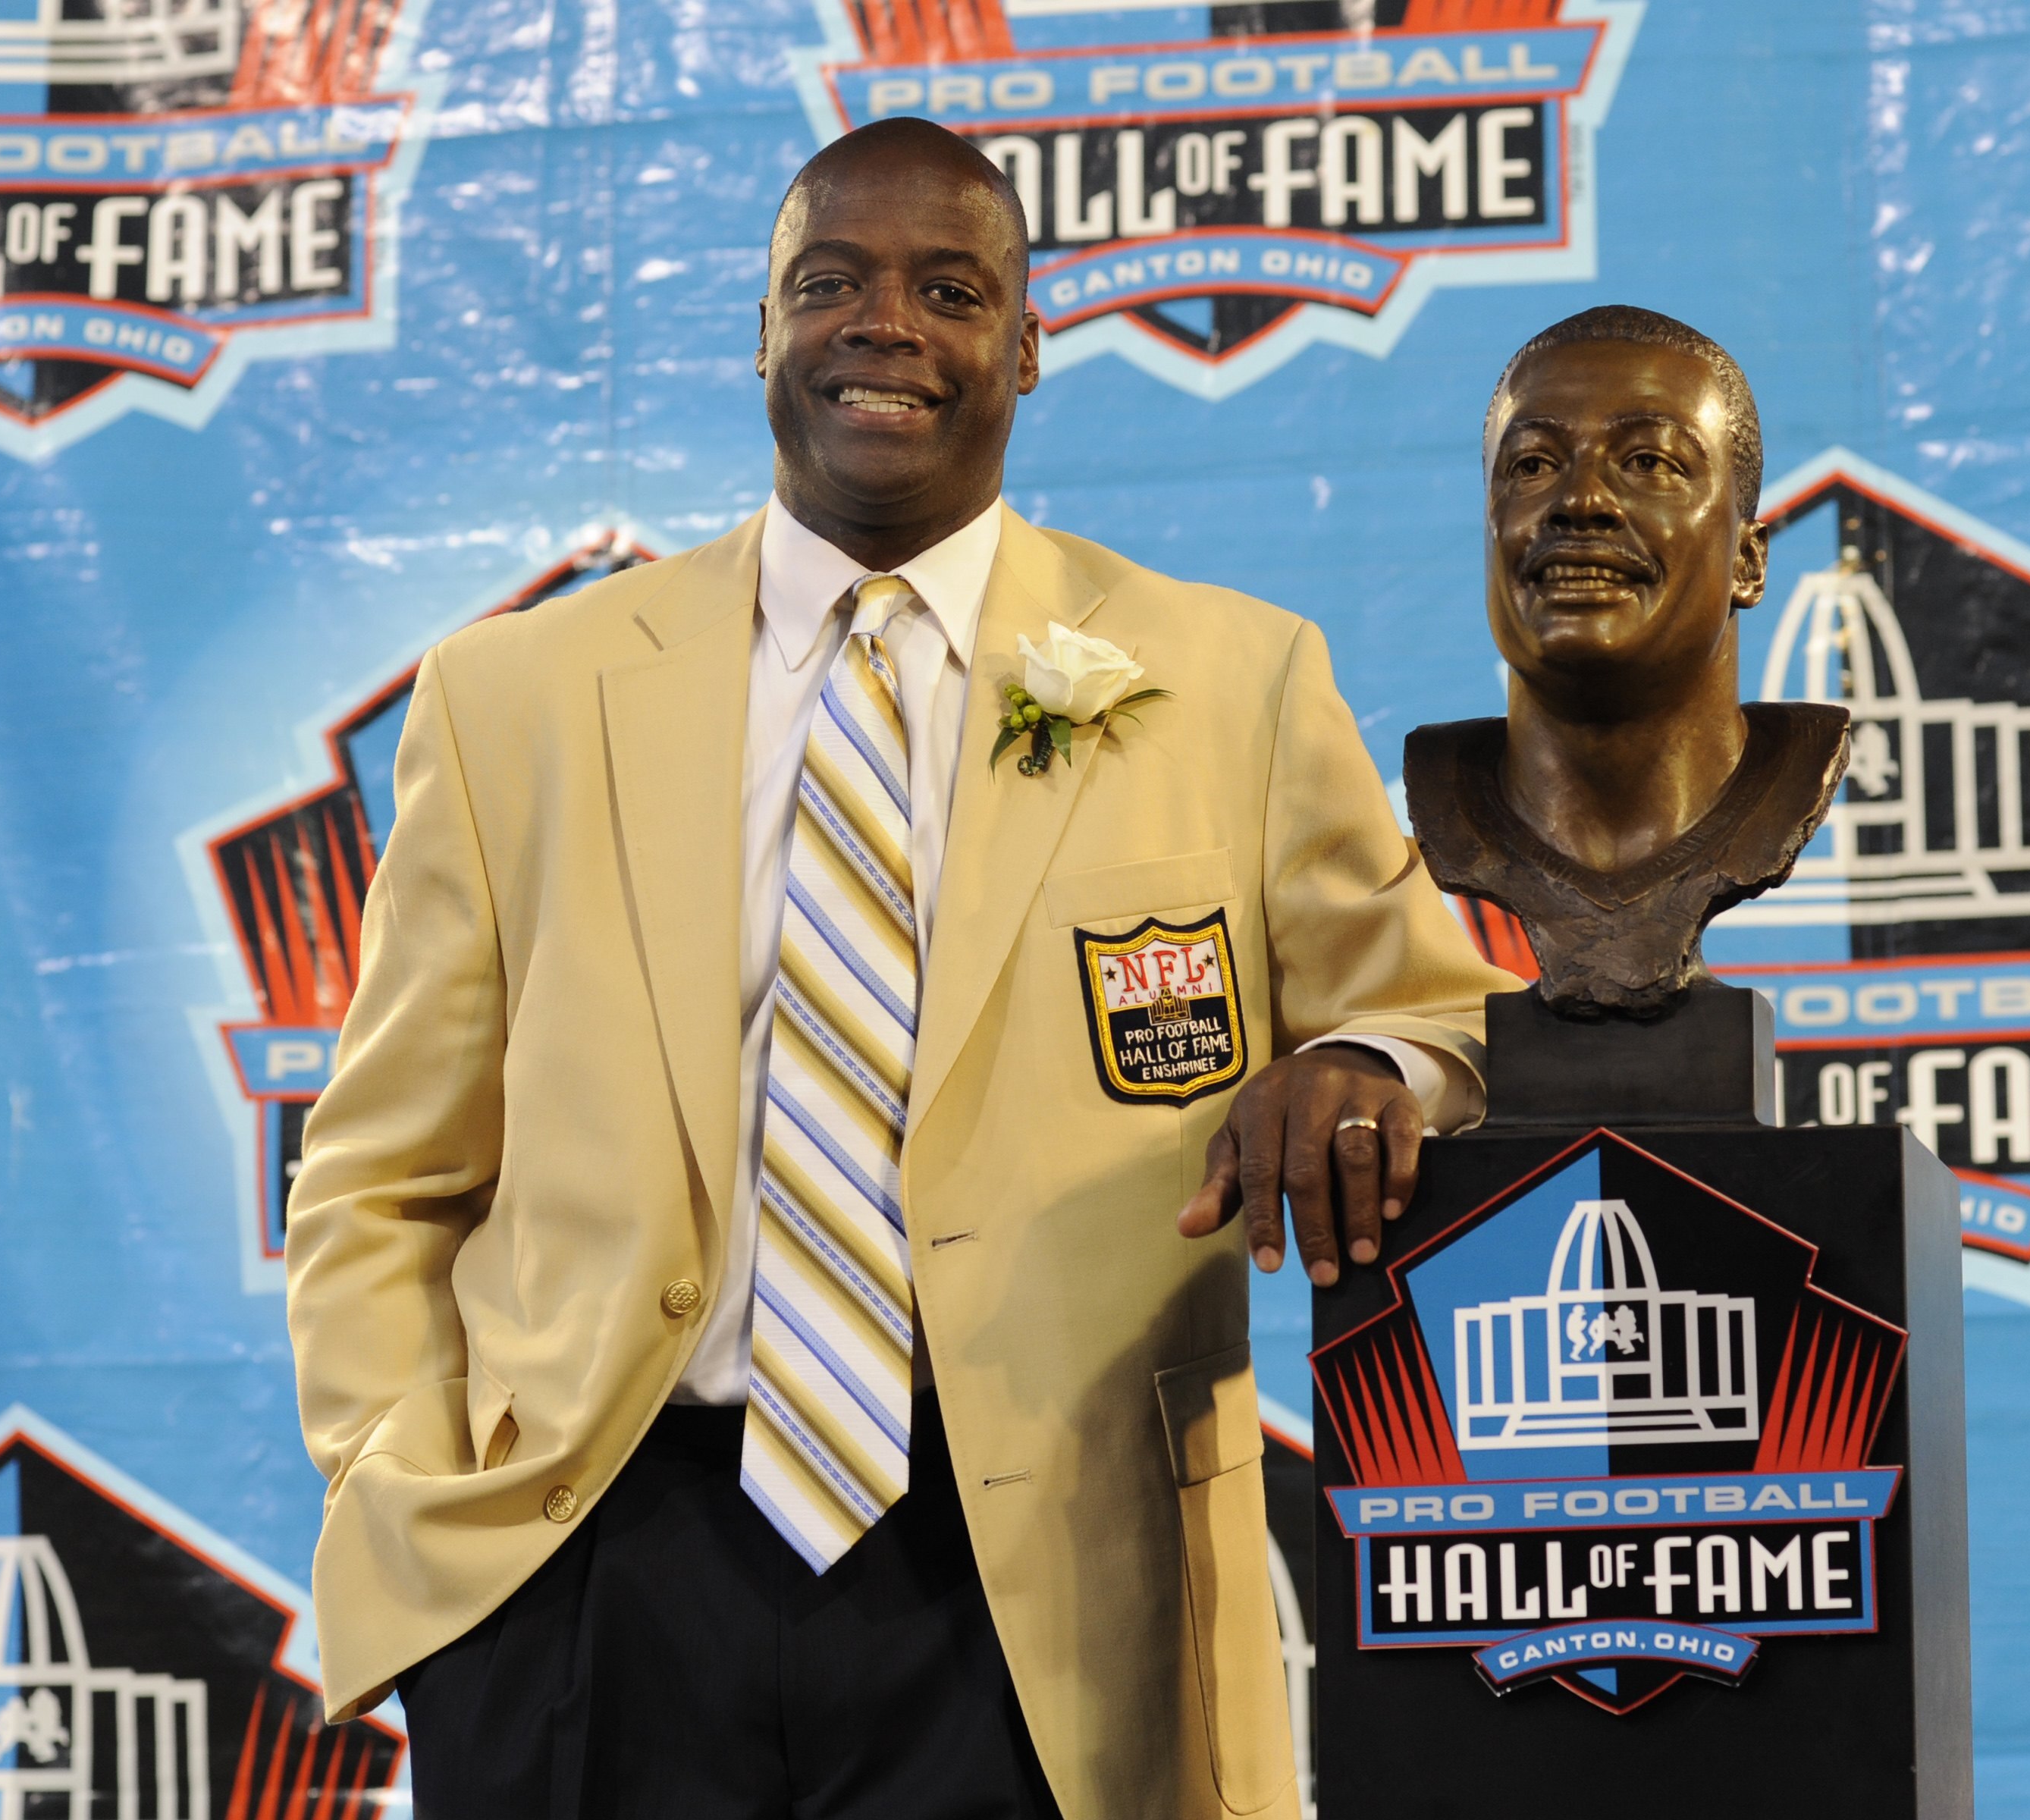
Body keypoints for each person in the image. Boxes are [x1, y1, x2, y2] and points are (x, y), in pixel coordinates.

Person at [285, 117, 1512, 1820]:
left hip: (1041, 1576)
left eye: (949, 289)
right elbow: (381, 1176)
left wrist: (1366, 1066)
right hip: (599, 1566)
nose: (885, 325)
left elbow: (1441, 1018)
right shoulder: (519, 700)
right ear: (764, 331)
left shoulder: (1223, 680)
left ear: (1026, 347)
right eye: (830, 283)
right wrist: (416, 1497)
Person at [1405, 306, 1849, 1016]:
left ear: (1748, 561)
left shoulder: (1791, 774)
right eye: (1534, 465)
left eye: (1649, 462)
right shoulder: (1442, 798)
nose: (1579, 501)